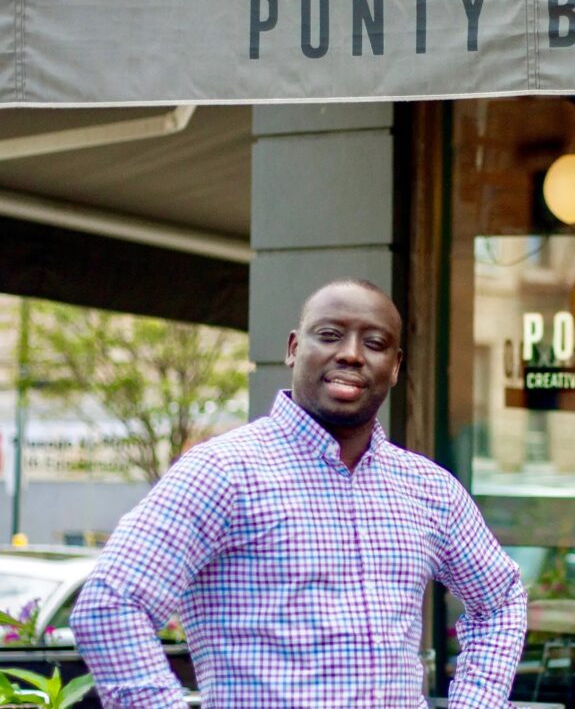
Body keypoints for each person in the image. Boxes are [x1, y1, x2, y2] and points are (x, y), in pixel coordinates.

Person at [71, 278, 528, 708]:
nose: (351, 354)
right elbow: (111, 605)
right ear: (293, 349)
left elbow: (501, 601)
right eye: (330, 335)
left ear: (395, 367)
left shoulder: (429, 490)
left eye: (374, 343)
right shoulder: (221, 473)